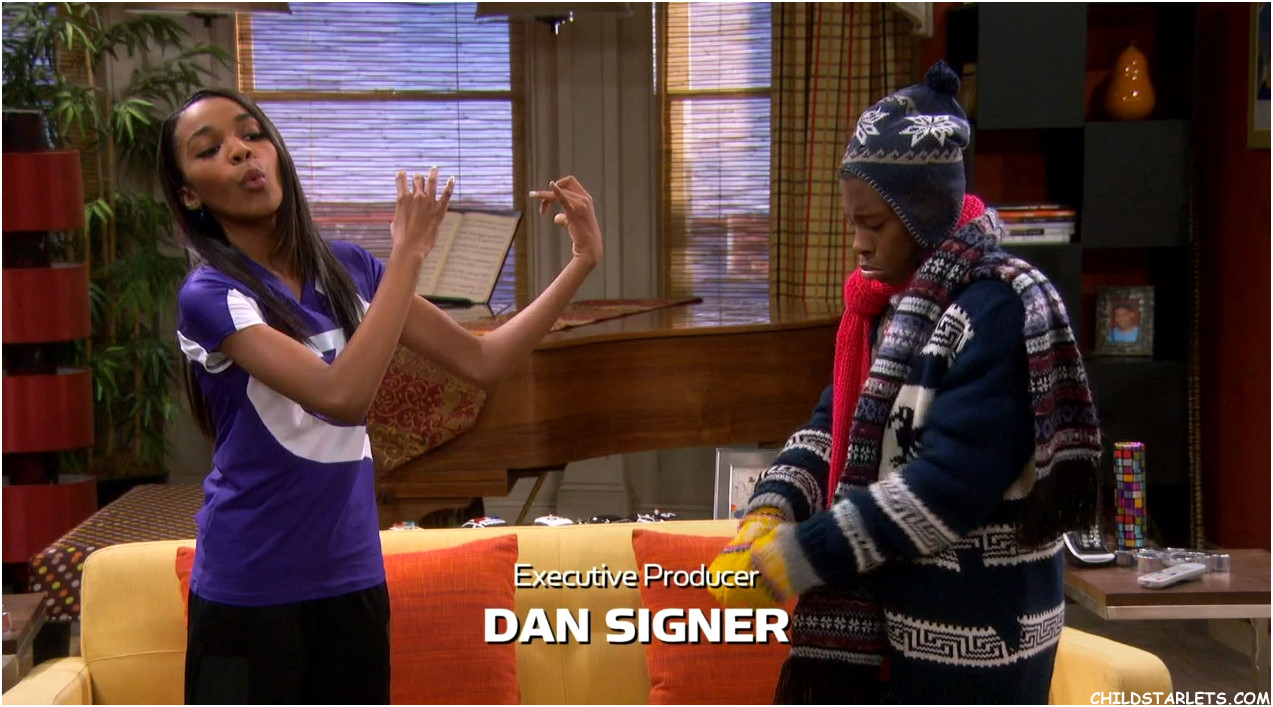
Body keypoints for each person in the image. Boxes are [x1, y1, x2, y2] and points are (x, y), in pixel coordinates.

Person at [159, 87, 603, 704]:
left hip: (352, 578)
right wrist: (410, 255)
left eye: (252, 133)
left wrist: (582, 261)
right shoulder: (210, 295)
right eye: (210, 149)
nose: (240, 151)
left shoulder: (348, 270)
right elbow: (341, 396)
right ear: (189, 194)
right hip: (250, 584)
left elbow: (485, 361)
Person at [708, 63, 1102, 704]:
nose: (858, 245)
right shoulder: (888, 308)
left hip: (979, 641)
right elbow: (830, 426)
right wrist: (771, 507)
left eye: (875, 224)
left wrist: (792, 559)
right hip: (895, 633)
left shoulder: (998, 311)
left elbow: (943, 490)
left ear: (923, 214)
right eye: (852, 223)